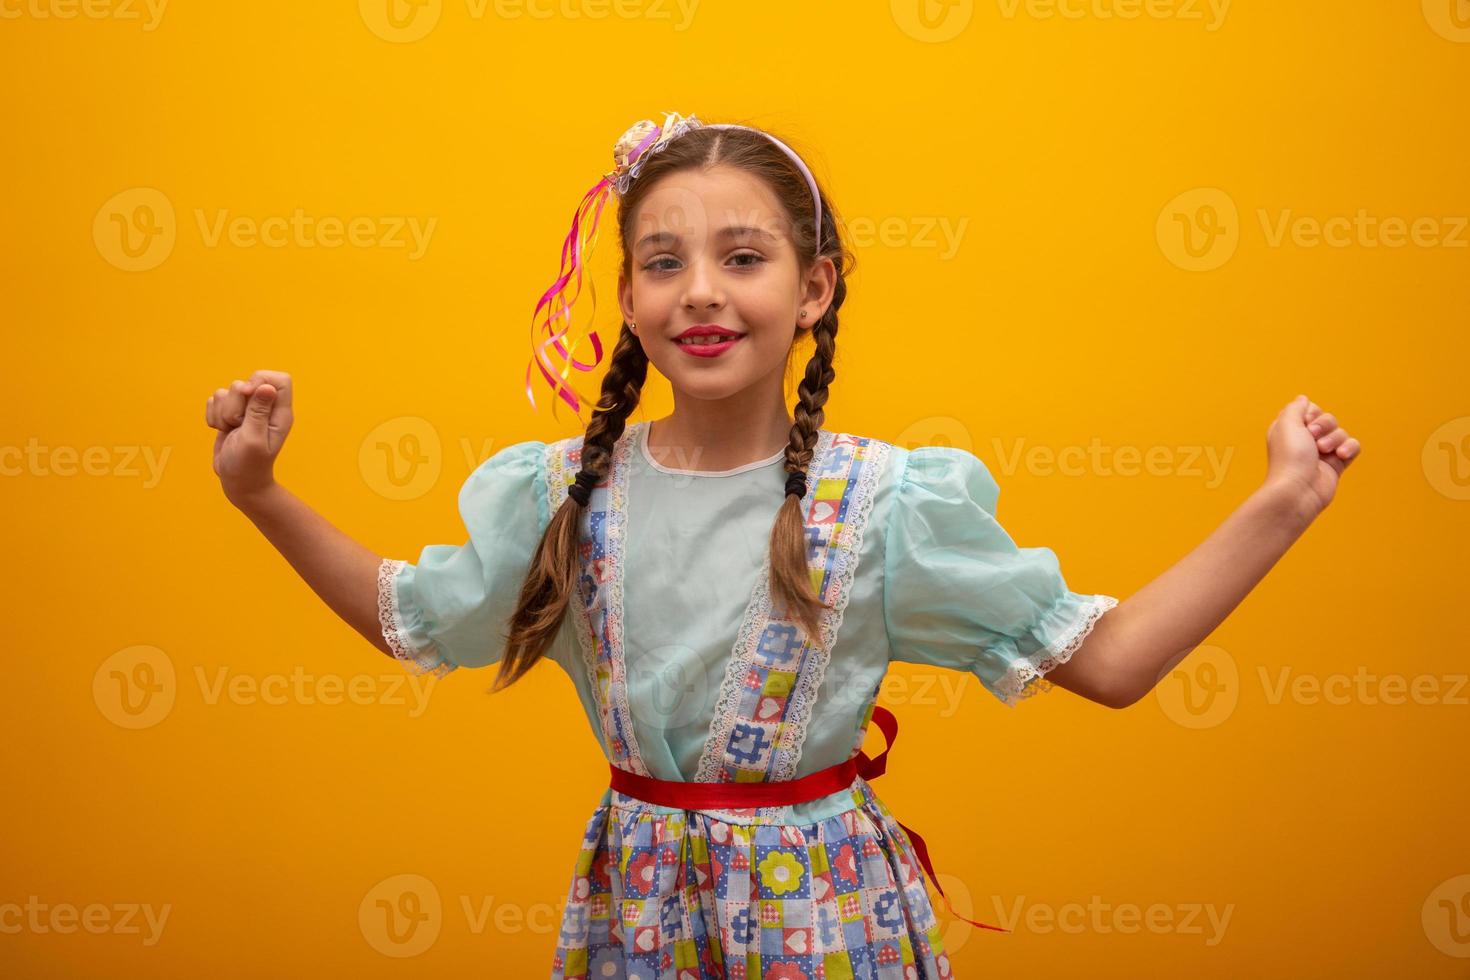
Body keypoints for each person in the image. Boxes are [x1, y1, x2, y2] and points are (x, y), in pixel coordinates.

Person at [204, 111, 1362, 979]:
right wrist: (260, 491)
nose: (700, 291)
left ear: (814, 288)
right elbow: (416, 617)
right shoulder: (564, 497)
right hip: (636, 920)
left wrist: (1283, 499)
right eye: (664, 261)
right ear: (627, 294)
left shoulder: (884, 505)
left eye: (743, 257)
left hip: (835, 924)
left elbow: (1111, 663)